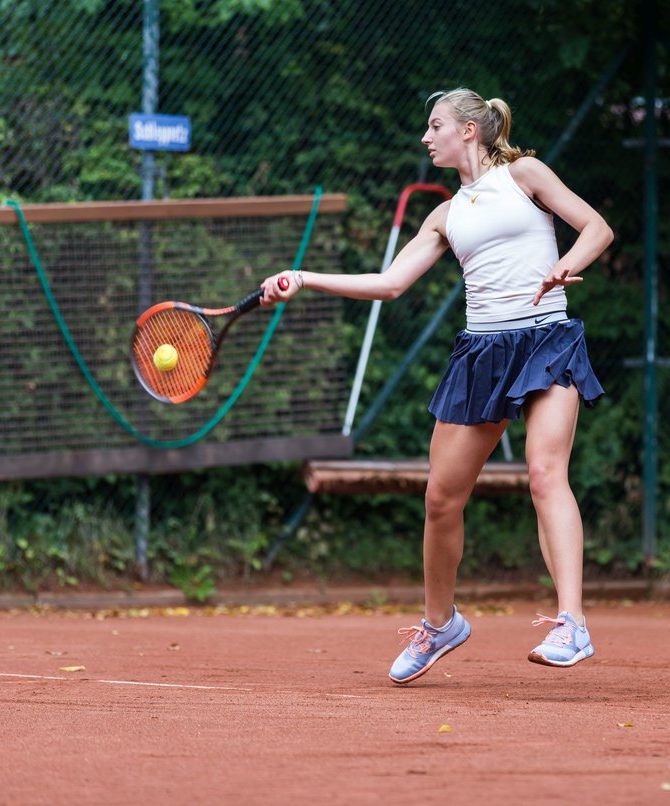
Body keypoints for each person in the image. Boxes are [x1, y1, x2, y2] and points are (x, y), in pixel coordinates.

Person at [260, 88, 613, 685]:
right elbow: (391, 282)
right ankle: (441, 624)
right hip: (482, 351)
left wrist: (565, 264)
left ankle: (571, 623)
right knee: (441, 499)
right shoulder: (446, 214)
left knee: (545, 473)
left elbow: (596, 228)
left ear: (469, 131)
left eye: (435, 126)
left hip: (546, 337)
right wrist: (306, 278)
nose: (426, 138)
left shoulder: (525, 175)